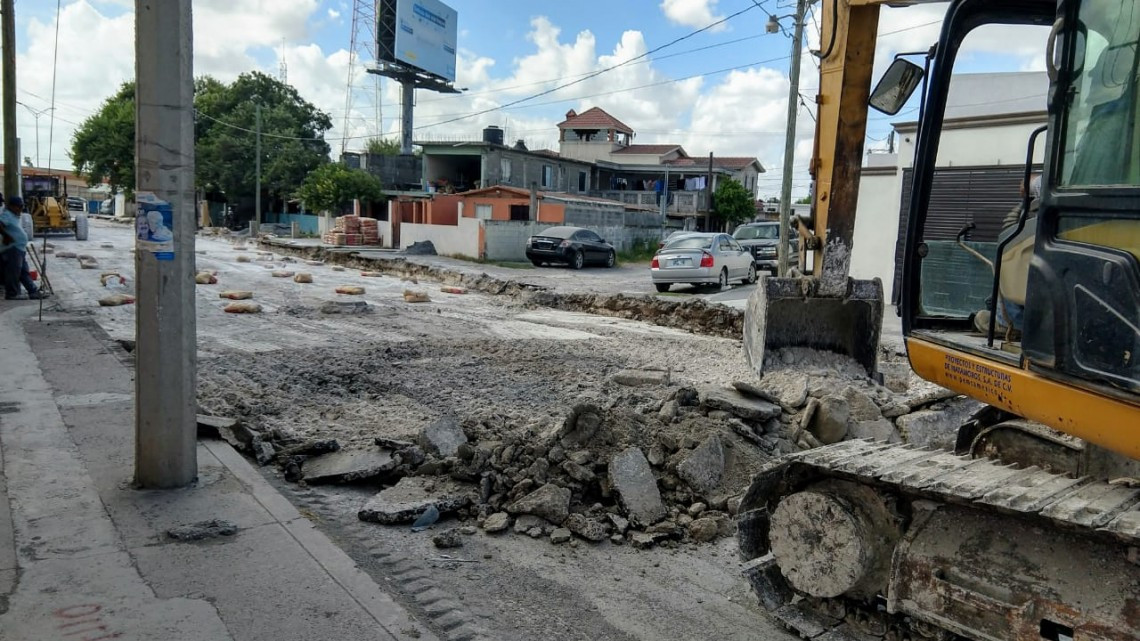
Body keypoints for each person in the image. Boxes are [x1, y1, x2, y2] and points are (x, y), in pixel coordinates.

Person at [0, 196, 47, 300]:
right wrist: (6, 236)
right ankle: (12, 294)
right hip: (11, 248)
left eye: (22, 206)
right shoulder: (7, 215)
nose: (21, 209)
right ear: (12, 206)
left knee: (24, 272)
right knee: (13, 272)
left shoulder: (14, 216)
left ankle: (33, 291)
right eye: (19, 206)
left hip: (19, 248)